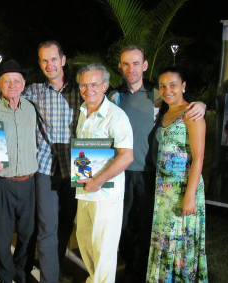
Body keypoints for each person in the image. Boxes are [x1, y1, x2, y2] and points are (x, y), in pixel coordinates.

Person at [109, 46, 207, 282]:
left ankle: (143, 273)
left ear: (144, 66)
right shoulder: (114, 96)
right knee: (122, 228)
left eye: (135, 63)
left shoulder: (156, 94)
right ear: (120, 67)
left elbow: (183, 108)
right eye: (125, 64)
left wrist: (201, 104)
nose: (130, 69)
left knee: (147, 229)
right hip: (121, 172)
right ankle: (130, 270)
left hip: (150, 174)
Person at [23, 40, 82, 283]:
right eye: (44, 60)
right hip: (46, 168)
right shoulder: (34, 91)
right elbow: (9, 96)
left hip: (77, 169)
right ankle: (50, 278)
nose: (49, 64)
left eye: (53, 59)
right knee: (47, 228)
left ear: (63, 60)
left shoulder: (82, 89)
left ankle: (56, 266)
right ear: (40, 63)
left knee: (66, 225)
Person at [146, 67, 208, 282]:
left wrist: (190, 195)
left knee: (180, 243)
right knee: (165, 240)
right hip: (164, 192)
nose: (167, 90)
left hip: (183, 188)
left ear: (183, 86)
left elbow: (199, 158)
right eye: (162, 86)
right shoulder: (164, 113)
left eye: (173, 84)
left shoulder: (191, 113)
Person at [0, 60, 38, 283]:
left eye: (16, 80)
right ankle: (5, 274)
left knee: (27, 233)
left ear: (23, 85)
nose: (12, 84)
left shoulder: (31, 109)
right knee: (2, 234)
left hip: (28, 182)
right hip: (1, 182)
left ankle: (21, 271)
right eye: (7, 81)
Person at [75, 63, 133, 282]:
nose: (88, 89)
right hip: (85, 191)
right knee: (85, 242)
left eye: (94, 84)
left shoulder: (116, 116)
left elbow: (127, 155)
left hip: (106, 195)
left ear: (105, 86)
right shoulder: (83, 111)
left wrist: (98, 180)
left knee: (104, 250)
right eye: (83, 85)